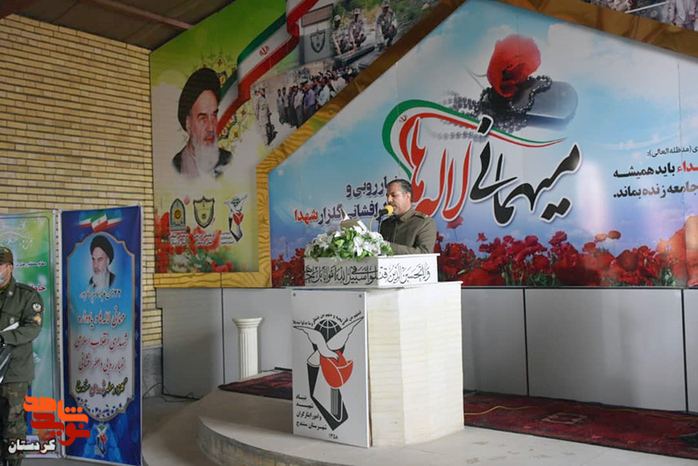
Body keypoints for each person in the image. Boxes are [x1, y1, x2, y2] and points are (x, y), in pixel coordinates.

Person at [0, 246, 44, 466]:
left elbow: (33, 328)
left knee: (13, 425)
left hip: (14, 373)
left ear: (10, 267)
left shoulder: (27, 296)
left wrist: (4, 337)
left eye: (0, 265)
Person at [172, 67, 232, 179]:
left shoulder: (228, 160)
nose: (211, 128)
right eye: (203, 118)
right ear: (188, 124)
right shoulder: (176, 166)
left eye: (214, 116)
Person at [379, 179, 437, 255]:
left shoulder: (424, 223)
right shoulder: (386, 224)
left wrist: (389, 247)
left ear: (407, 196)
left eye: (394, 195)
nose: (389, 200)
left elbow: (425, 253)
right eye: (387, 196)